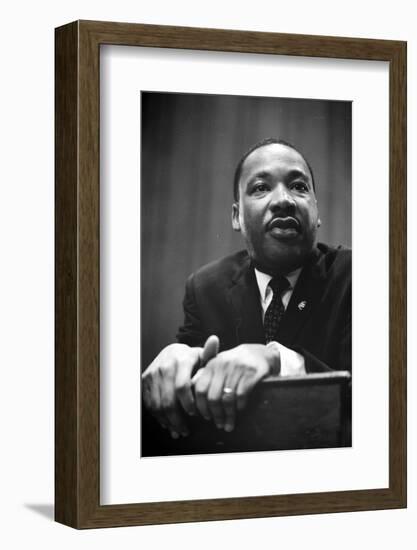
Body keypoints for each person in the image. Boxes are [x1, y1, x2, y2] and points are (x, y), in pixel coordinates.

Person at [142, 138, 351, 440]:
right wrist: (177, 359)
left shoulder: (355, 276)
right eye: (261, 187)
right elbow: (191, 372)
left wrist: (275, 359)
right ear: (236, 216)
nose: (284, 200)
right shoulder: (205, 288)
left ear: (317, 212)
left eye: (299, 186)